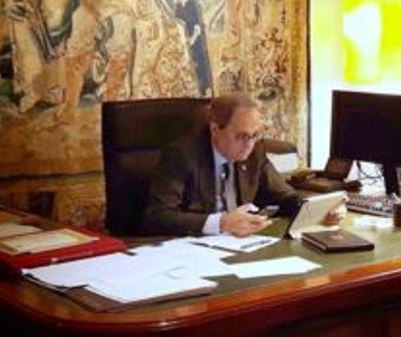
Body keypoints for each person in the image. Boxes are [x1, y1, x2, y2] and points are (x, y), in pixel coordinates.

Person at [142, 93, 334, 237]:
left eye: (254, 135)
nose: (249, 144)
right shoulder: (182, 155)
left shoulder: (255, 151)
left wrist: (320, 211)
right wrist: (221, 223)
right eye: (242, 136)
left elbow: (284, 196)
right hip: (193, 250)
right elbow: (158, 216)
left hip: (240, 246)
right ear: (215, 129)